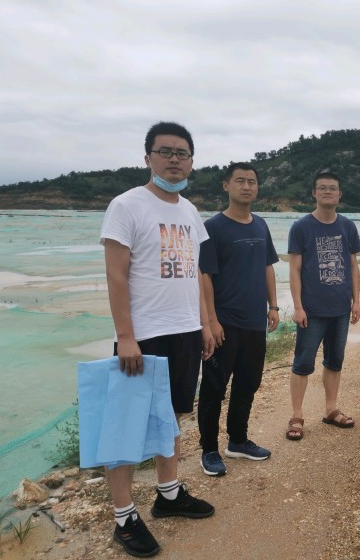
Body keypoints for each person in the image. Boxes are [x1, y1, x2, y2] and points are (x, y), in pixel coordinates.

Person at [100, 121, 215, 557]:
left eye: (182, 153)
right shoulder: (126, 205)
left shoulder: (190, 211)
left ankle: (168, 494)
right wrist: (125, 336)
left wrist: (204, 324)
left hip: (184, 331)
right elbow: (116, 277)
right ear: (147, 157)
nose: (174, 159)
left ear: (191, 162)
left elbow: (194, 275)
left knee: (173, 417)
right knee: (128, 425)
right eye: (165, 151)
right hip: (143, 335)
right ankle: (123, 516)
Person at [197, 162, 280, 476]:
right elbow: (205, 275)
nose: (247, 187)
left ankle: (238, 440)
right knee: (214, 389)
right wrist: (211, 321)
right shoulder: (213, 227)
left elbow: (268, 267)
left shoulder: (260, 225)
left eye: (252, 182)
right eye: (240, 181)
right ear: (226, 185)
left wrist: (274, 306)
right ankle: (209, 449)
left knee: (248, 384)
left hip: (254, 323)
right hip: (225, 324)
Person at [286, 172, 360, 441]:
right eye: (322, 188)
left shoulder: (347, 226)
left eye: (333, 188)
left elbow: (352, 265)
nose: (328, 191)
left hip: (340, 309)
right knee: (302, 363)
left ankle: (331, 409)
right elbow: (294, 269)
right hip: (312, 310)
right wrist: (298, 306)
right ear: (314, 193)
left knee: (335, 361)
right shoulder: (301, 227)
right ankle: (297, 415)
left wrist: (356, 301)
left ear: (339, 194)